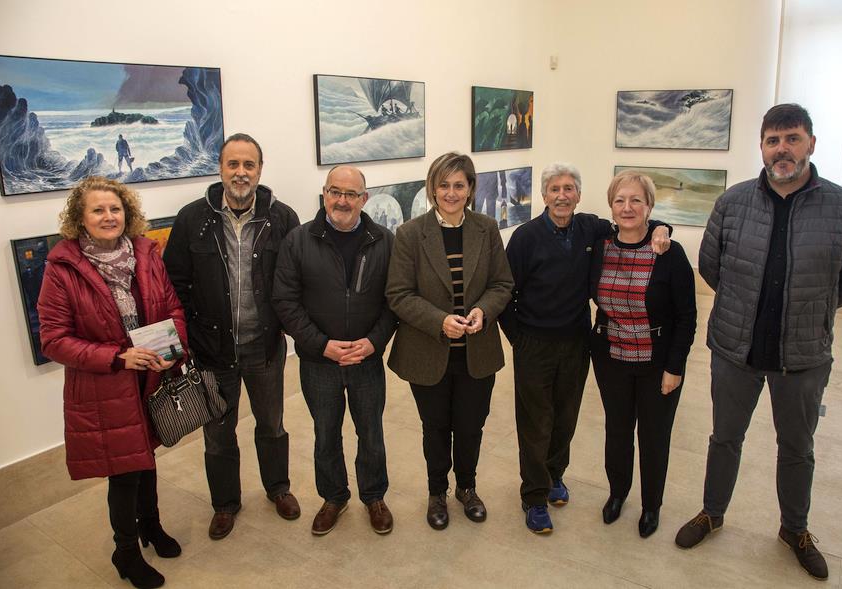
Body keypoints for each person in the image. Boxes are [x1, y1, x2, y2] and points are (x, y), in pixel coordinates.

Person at [675, 104, 842, 581]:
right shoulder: (733, 202)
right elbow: (711, 266)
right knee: (724, 438)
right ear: (761, 147)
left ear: (811, 144)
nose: (782, 148)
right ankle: (712, 512)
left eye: (792, 138)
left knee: (798, 447)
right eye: (773, 140)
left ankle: (794, 529)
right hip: (734, 350)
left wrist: (811, 311)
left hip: (803, 356)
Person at [498, 163, 670, 534]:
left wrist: (662, 228)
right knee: (535, 423)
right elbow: (503, 293)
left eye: (569, 189)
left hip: (577, 343)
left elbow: (632, 223)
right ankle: (534, 496)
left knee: (565, 417)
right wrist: (519, 340)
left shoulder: (590, 228)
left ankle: (555, 475)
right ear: (544, 196)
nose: (562, 195)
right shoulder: (525, 238)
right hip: (534, 343)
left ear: (578, 195)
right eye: (555, 189)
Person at [38, 176, 186, 589]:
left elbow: (171, 305)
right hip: (107, 385)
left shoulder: (145, 252)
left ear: (127, 212)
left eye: (115, 208)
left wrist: (173, 349)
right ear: (80, 218)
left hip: (151, 376)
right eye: (98, 210)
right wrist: (117, 359)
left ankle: (151, 527)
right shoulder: (62, 267)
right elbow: (53, 339)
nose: (109, 216)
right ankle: (125, 552)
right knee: (124, 473)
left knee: (147, 458)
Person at [163, 133, 301, 540]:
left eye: (249, 165)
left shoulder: (283, 218)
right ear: (220, 168)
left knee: (271, 425)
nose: (241, 172)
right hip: (213, 351)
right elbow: (175, 286)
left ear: (260, 169)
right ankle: (225, 504)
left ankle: (278, 488)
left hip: (265, 347)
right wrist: (185, 343)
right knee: (218, 434)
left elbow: (294, 282)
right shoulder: (192, 219)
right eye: (233, 164)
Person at [386, 152, 513, 530]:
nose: (451, 193)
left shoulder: (486, 228)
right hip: (428, 352)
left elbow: (502, 284)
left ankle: (467, 488)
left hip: (477, 351)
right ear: (432, 188)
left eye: (459, 185)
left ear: (471, 189)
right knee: (436, 427)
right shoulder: (410, 233)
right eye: (444, 185)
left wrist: (483, 312)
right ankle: (437, 492)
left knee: (472, 426)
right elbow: (398, 293)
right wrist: (440, 321)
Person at [273, 165, 397, 536]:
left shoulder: (385, 241)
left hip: (366, 359)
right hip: (318, 361)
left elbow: (395, 301)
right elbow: (285, 301)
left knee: (371, 432)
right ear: (325, 194)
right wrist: (321, 345)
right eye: (335, 192)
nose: (342, 200)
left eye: (351, 194)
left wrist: (374, 342)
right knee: (326, 433)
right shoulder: (297, 241)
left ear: (365, 198)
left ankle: (374, 496)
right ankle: (333, 497)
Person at [590, 171, 696, 538]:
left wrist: (675, 367)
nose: (628, 207)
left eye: (637, 200)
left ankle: (652, 506)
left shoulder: (669, 252)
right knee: (617, 431)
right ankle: (618, 494)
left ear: (650, 205)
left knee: (653, 437)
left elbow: (687, 316)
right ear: (611, 206)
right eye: (620, 200)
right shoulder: (600, 243)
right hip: (610, 359)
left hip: (657, 363)